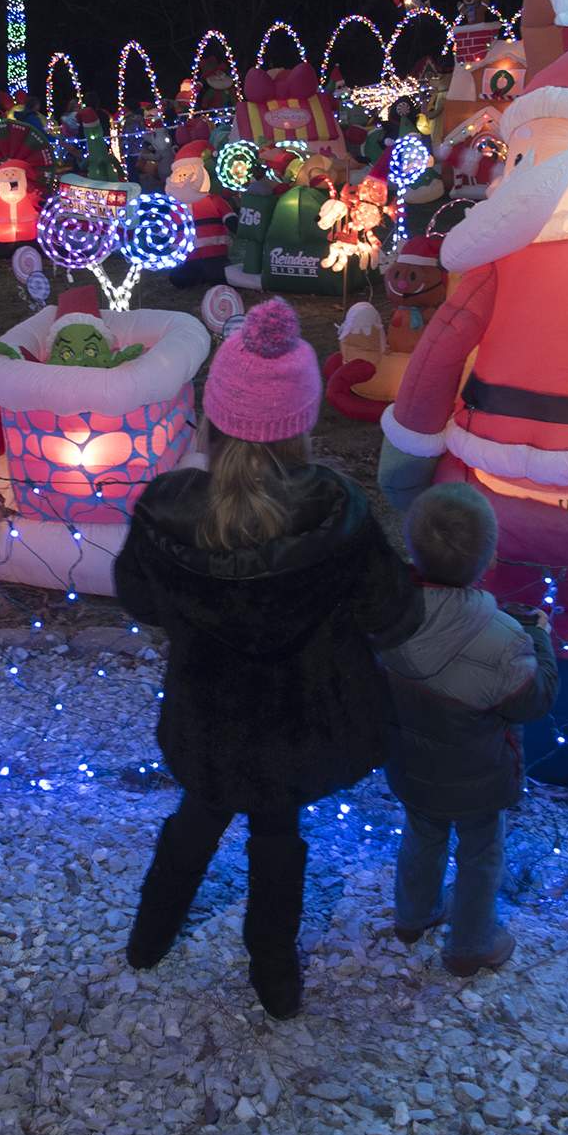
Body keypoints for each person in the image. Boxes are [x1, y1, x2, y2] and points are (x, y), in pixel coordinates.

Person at [115, 299, 417, 1019]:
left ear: (214, 418)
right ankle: (275, 975)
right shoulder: (337, 510)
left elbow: (139, 598)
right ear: (301, 423)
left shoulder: (168, 507)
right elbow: (392, 614)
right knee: (279, 836)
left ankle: (149, 938)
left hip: (207, 722)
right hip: (299, 728)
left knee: (196, 820)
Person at [376, 483, 557, 976]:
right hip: (479, 778)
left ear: (411, 545)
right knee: (480, 854)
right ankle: (470, 944)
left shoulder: (385, 617)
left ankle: (413, 916)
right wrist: (539, 639)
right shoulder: (504, 639)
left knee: (421, 835)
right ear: (490, 557)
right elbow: (533, 702)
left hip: (411, 768)